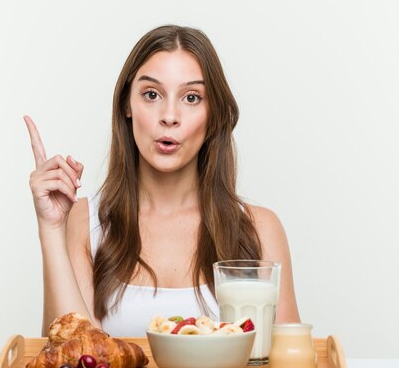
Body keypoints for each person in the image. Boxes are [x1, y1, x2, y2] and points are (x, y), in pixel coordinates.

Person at [25, 25, 301, 337]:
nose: (169, 116)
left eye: (192, 97)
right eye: (152, 94)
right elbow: (71, 361)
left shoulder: (261, 229)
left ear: (213, 115)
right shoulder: (84, 222)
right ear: (127, 105)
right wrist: (50, 228)